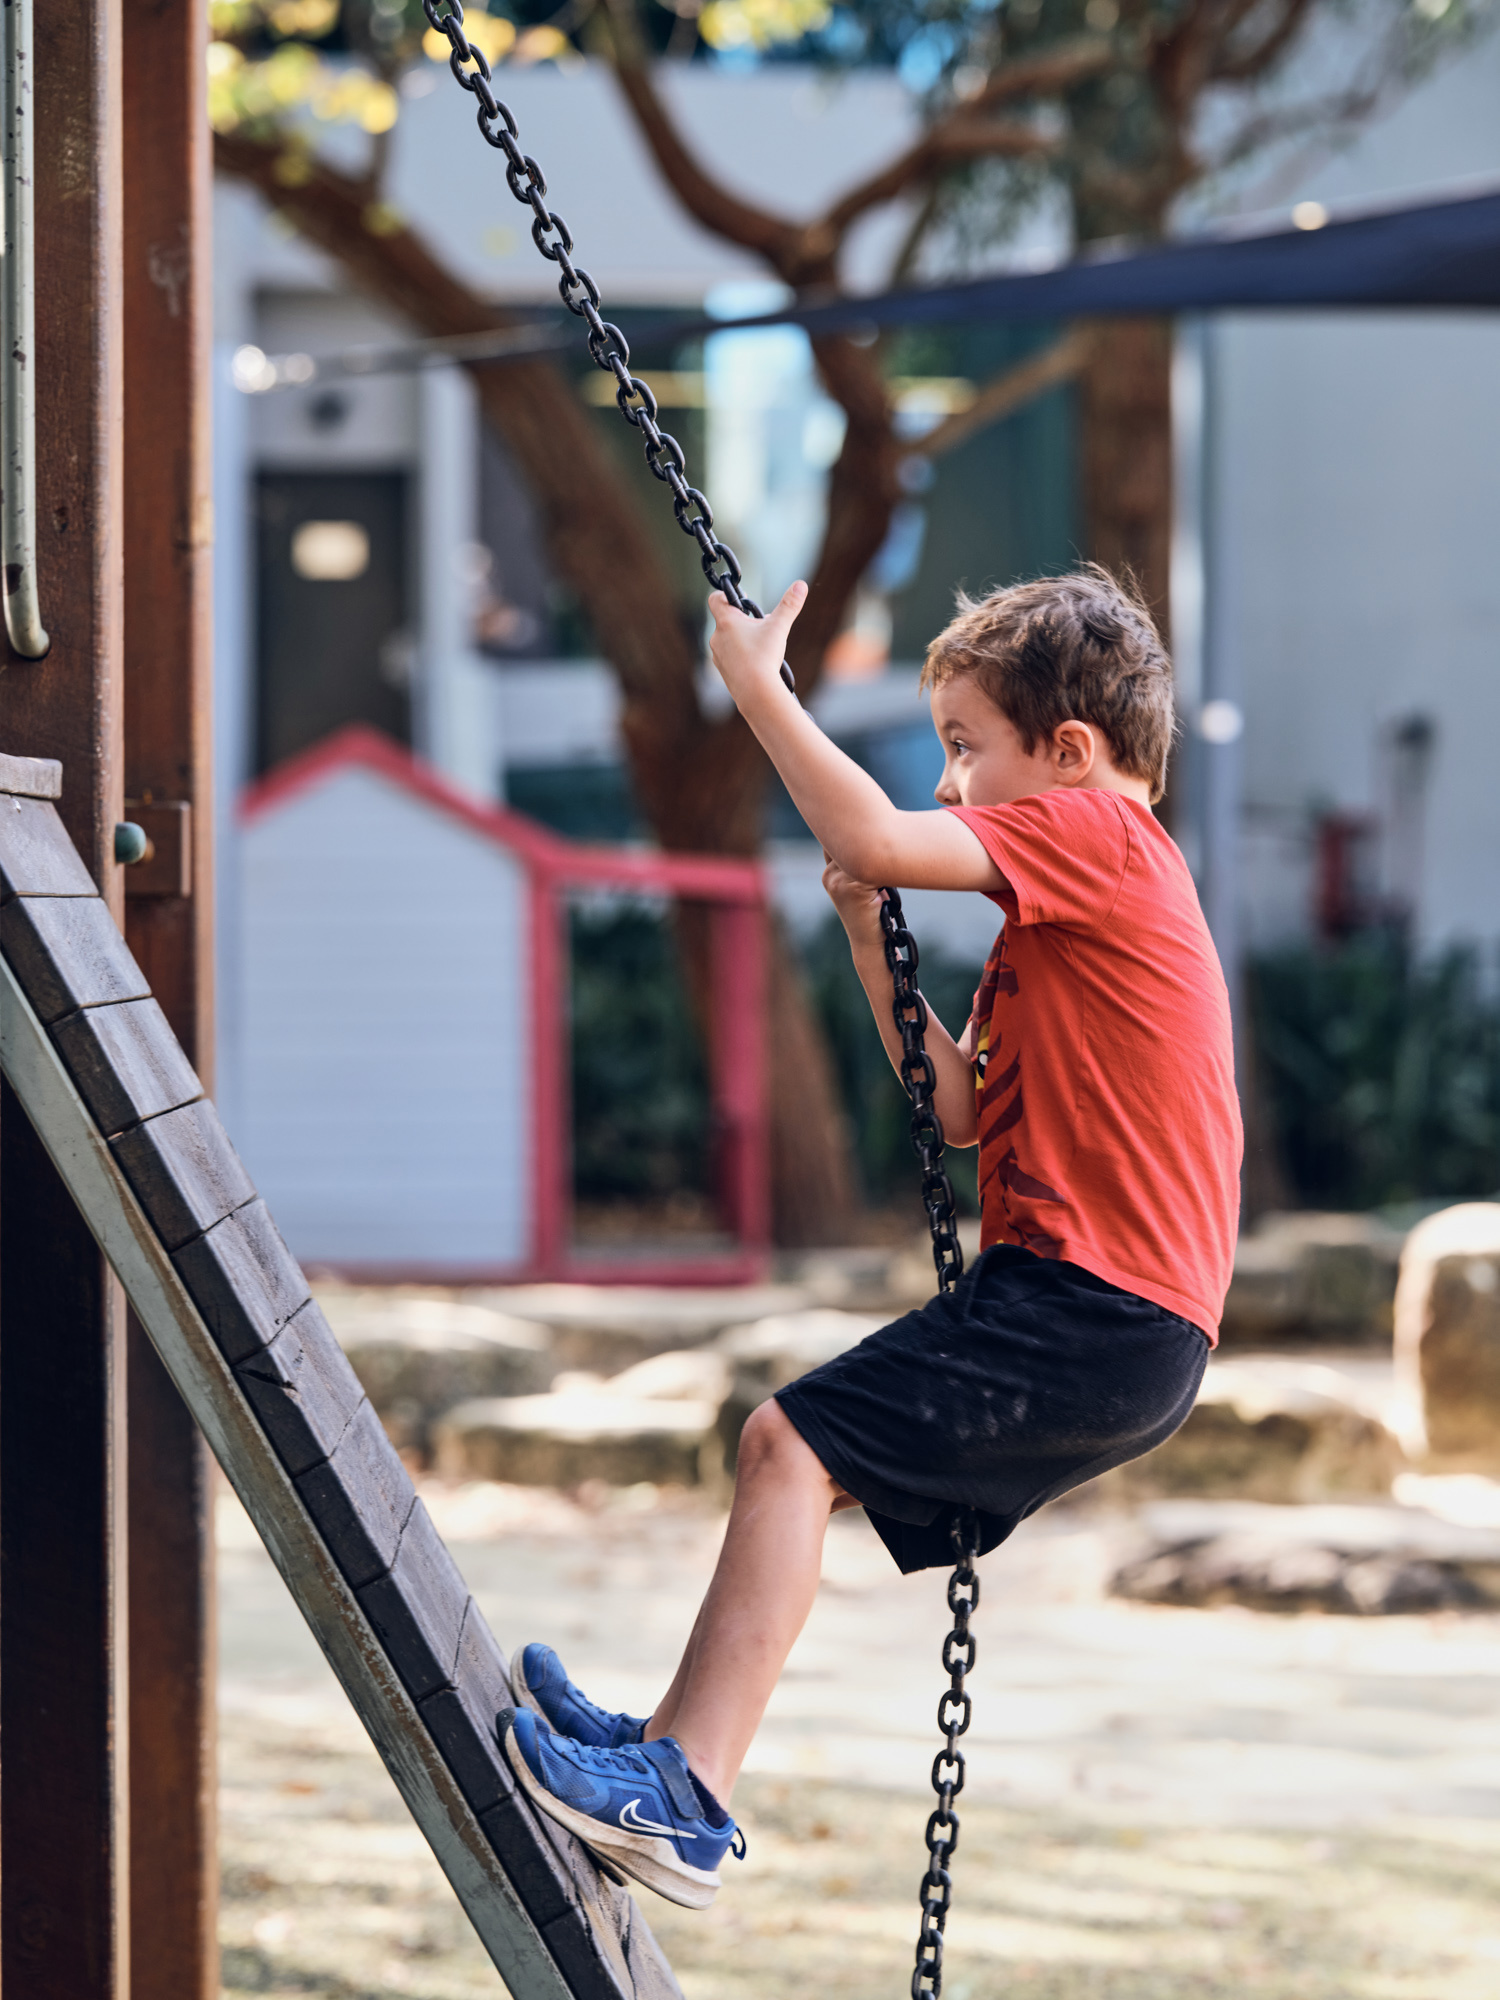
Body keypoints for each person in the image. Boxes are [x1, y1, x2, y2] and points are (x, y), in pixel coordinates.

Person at [499, 566, 1242, 1910]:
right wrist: (860, 929)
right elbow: (956, 1108)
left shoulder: (1106, 839)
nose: (953, 784)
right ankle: (672, 1751)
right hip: (1114, 1318)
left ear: (1071, 755)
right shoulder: (1051, 933)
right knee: (797, 1454)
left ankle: (688, 1795)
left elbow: (889, 833)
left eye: (968, 748)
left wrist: (755, 686)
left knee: (789, 1444)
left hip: (1102, 1308)